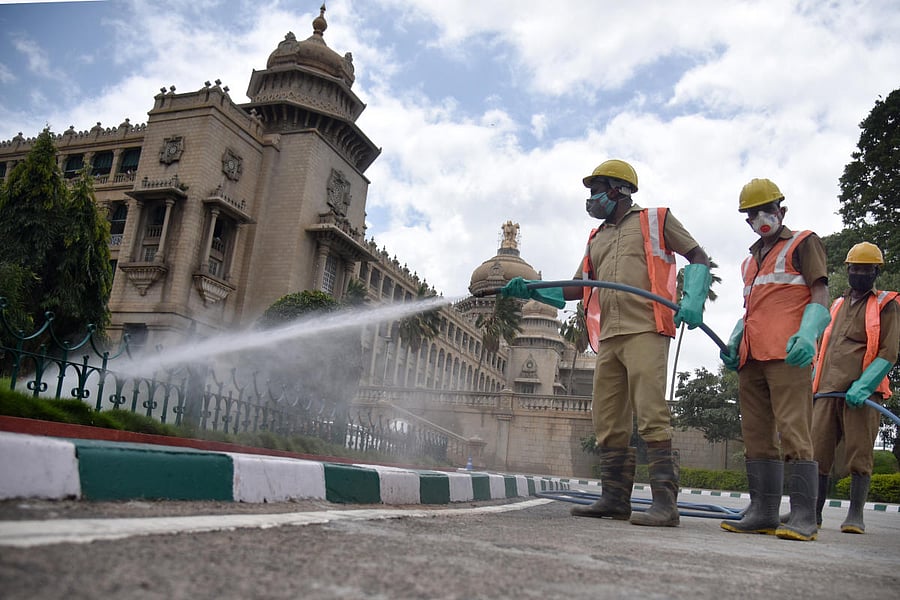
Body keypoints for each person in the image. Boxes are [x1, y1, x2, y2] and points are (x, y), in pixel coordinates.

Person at [503, 159, 711, 527]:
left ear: (620, 189)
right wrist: (532, 288)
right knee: (608, 419)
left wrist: (693, 297)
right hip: (611, 337)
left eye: (596, 189)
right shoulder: (596, 238)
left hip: (647, 327)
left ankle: (666, 504)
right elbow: (577, 287)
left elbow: (696, 255)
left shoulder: (656, 219)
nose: (591, 198)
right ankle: (615, 499)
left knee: (650, 413)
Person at [719, 177, 831, 542]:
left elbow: (820, 291)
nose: (761, 217)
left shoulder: (803, 242)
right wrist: (735, 340)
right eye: (752, 213)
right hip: (752, 357)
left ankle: (803, 516)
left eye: (767, 209)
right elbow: (751, 308)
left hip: (788, 353)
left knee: (795, 431)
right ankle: (763, 511)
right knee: (756, 435)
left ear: (782, 210)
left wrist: (809, 331)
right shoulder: (749, 262)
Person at [808, 242, 899, 534]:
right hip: (826, 392)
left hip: (863, 394)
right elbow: (823, 347)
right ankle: (813, 514)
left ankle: (855, 515)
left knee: (859, 454)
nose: (860, 273)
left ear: (875, 272)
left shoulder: (886, 304)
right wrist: (814, 385)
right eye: (855, 268)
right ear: (848, 269)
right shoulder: (835, 304)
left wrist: (865, 384)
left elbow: (889, 352)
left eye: (866, 269)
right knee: (816, 454)